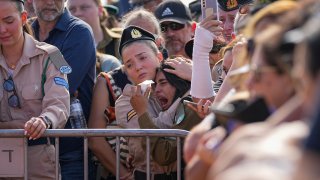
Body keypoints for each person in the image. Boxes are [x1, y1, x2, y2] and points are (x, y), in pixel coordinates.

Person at [0, 0, 70, 179]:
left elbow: (60, 103)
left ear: (24, 18)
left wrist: (44, 121)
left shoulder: (54, 55)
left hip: (37, 155)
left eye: (9, 21)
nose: (2, 30)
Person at [31, 0, 96, 179]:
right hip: (28, 149)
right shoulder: (24, 31)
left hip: (68, 153)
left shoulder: (78, 32)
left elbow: (64, 85)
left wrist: (25, 86)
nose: (51, 2)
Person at [115, 26, 179, 179]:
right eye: (129, 65)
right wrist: (183, 101)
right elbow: (154, 130)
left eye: (143, 58)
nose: (138, 67)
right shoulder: (125, 102)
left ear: (159, 57)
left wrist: (192, 77)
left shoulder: (180, 81)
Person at [130, 62, 202, 166]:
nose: (157, 90)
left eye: (163, 83)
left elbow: (164, 154)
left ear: (180, 83)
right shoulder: (180, 107)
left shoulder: (191, 105)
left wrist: (142, 113)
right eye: (156, 84)